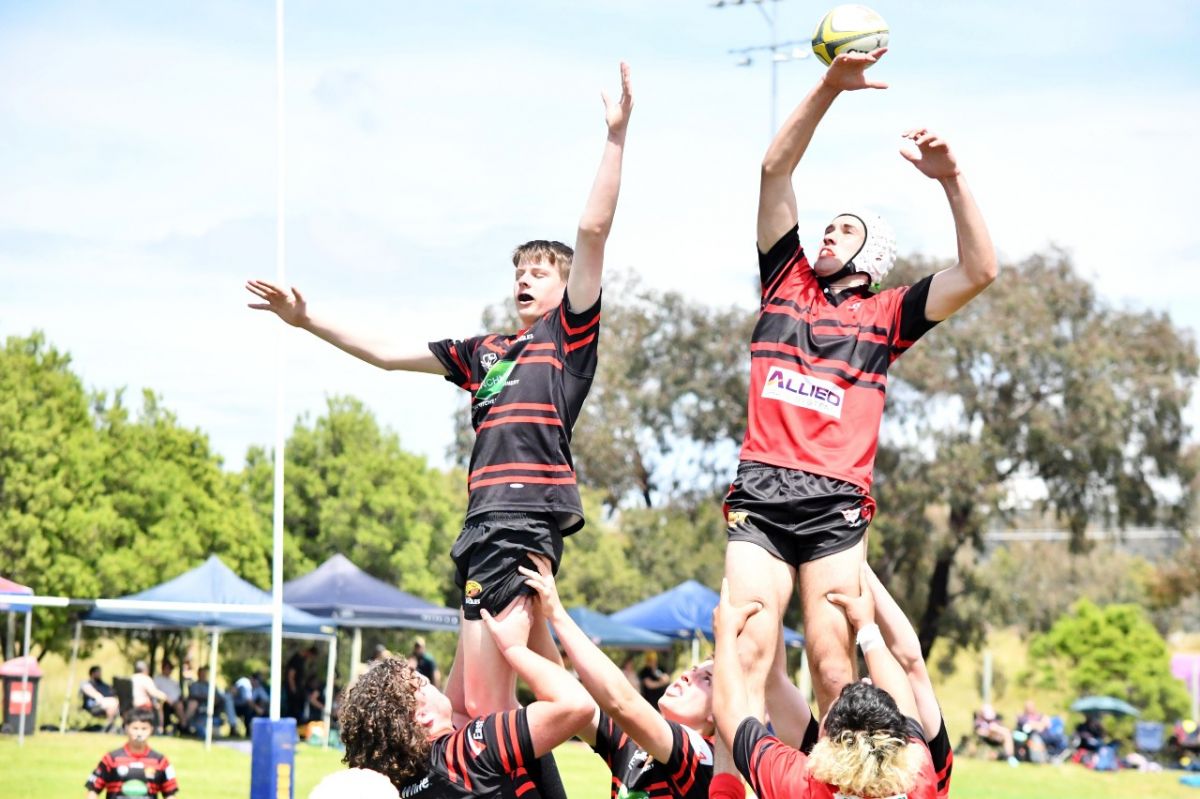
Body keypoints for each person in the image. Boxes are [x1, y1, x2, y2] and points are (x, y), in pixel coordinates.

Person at [248, 62, 635, 799]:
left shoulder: (569, 340)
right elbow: (388, 353)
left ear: (564, 289)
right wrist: (307, 318)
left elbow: (592, 229)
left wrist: (614, 137)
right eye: (519, 269)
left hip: (519, 523)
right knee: (465, 711)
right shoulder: (483, 352)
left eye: (541, 271)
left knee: (487, 715)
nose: (526, 278)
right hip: (479, 528)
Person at [722, 43, 997, 735]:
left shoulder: (887, 315)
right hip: (761, 489)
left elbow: (980, 270)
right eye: (827, 225)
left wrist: (952, 178)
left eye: (843, 228)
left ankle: (837, 781)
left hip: (836, 503)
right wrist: (829, 88)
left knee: (833, 662)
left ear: (872, 253)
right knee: (748, 644)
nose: (825, 232)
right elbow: (772, 167)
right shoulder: (784, 281)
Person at [712, 569, 938, 799]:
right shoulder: (913, 778)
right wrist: (867, 627)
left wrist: (725, 634)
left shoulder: (801, 785)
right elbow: (904, 698)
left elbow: (730, 713)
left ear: (823, 735)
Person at [337, 596, 594, 796]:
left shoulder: (409, 779)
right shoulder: (469, 751)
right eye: (421, 683)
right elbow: (577, 705)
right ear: (423, 717)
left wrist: (471, 601)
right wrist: (515, 649)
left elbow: (459, 708)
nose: (428, 683)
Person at [521, 554, 714, 797]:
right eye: (694, 669)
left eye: (706, 679)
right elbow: (564, 695)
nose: (688, 675)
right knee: (524, 748)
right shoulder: (635, 748)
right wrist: (537, 609)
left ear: (717, 714)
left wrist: (557, 613)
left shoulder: (704, 757)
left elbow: (621, 702)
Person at [85, 707, 179, 798]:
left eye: (144, 728)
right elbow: (93, 790)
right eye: (135, 728)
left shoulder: (160, 761)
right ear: (126, 728)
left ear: (151, 730)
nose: (139, 733)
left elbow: (170, 794)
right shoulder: (111, 759)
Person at [187, 666, 238, 738]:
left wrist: (216, 699)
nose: (203, 675)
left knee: (228, 699)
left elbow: (218, 696)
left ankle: (233, 726)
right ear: (198, 674)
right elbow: (193, 696)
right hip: (202, 705)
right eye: (202, 673)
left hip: (215, 706)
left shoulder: (210, 685)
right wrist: (208, 697)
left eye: (205, 674)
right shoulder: (195, 685)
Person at [81, 665, 120, 729]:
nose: (100, 674)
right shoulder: (86, 684)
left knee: (116, 704)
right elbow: (92, 693)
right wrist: (100, 698)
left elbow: (112, 692)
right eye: (98, 672)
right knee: (112, 703)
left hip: (108, 704)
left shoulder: (103, 684)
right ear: (92, 673)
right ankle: (109, 726)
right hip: (94, 706)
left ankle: (112, 726)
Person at [284, 646, 317, 720]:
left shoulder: (303, 660)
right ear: (309, 653)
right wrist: (293, 689)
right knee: (292, 709)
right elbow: (290, 675)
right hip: (293, 690)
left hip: (298, 688)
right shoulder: (296, 659)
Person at [153, 660, 186, 733]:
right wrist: (165, 698)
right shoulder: (157, 679)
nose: (168, 670)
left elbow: (178, 694)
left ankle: (184, 726)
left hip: (175, 702)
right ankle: (160, 728)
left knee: (180, 705)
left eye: (170, 669)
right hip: (162, 701)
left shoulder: (174, 682)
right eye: (167, 668)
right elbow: (155, 692)